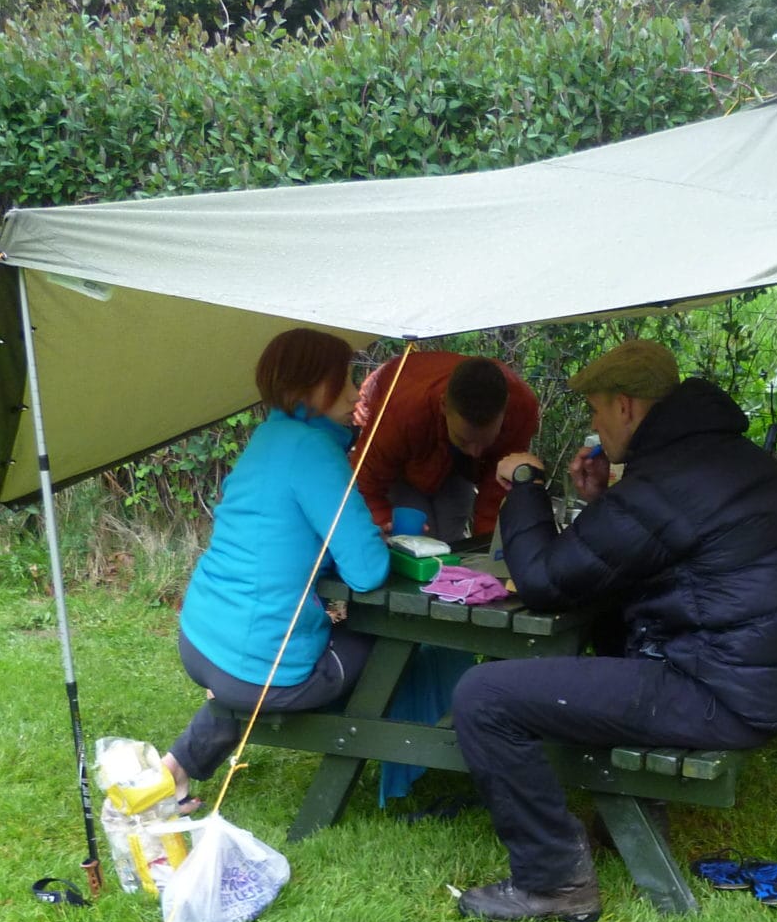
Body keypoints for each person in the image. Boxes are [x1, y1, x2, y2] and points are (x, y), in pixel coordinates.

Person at [451, 340, 777, 922]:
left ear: (626, 407)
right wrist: (605, 502)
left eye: (597, 413)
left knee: (483, 696)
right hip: (775, 679)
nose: (595, 428)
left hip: (721, 695)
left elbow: (546, 579)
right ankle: (627, 813)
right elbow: (650, 554)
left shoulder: (668, 482)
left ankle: (554, 883)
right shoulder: (727, 457)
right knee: (610, 621)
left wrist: (526, 487)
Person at [160, 328, 389, 807]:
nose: (355, 394)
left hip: (201, 640)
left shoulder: (270, 436)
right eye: (343, 381)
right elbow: (367, 572)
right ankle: (400, 756)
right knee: (387, 637)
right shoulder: (314, 450)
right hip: (261, 668)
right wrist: (371, 538)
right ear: (305, 388)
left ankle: (174, 769)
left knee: (251, 665)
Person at [349, 351, 540, 541]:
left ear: (504, 409)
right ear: (443, 405)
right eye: (464, 439)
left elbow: (495, 493)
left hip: (456, 466)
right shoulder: (400, 413)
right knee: (419, 537)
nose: (475, 452)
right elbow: (365, 483)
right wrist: (386, 521)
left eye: (486, 440)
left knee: (451, 539)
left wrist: (486, 548)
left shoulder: (521, 410)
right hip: (404, 459)